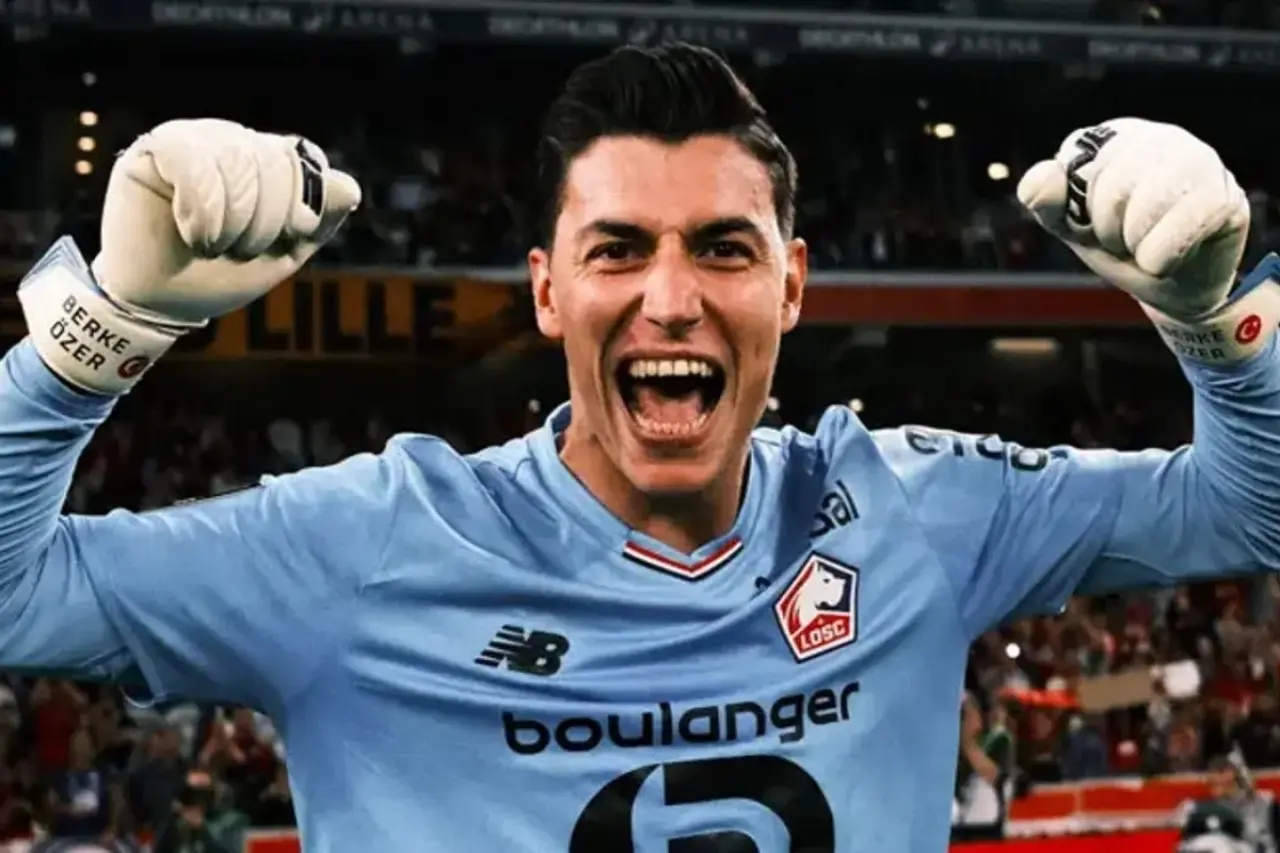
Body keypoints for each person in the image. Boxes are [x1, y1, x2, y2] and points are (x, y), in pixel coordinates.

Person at [0, 42, 1277, 853]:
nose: (671, 299)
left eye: (722, 248)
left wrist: (1213, 322)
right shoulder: (367, 545)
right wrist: (100, 330)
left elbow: (1248, 509)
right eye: (617, 250)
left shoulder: (917, 511)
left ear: (790, 286)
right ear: (547, 291)